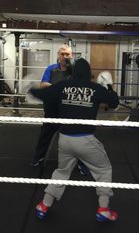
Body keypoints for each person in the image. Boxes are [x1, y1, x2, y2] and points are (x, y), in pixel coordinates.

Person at [29, 58, 119, 222]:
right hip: (85, 140)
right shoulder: (95, 88)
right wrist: (109, 87)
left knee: (62, 172)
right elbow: (114, 102)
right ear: (88, 73)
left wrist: (30, 87)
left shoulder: (63, 86)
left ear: (74, 72)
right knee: (104, 170)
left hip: (65, 140)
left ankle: (44, 205)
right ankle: (104, 209)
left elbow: (40, 94)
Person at [31, 45, 89, 176]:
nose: (64, 57)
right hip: (52, 110)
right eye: (62, 54)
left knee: (77, 138)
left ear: (71, 56)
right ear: (58, 55)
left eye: (67, 54)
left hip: (70, 111)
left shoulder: (75, 71)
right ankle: (38, 157)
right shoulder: (51, 69)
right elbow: (43, 84)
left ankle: (82, 163)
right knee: (45, 136)